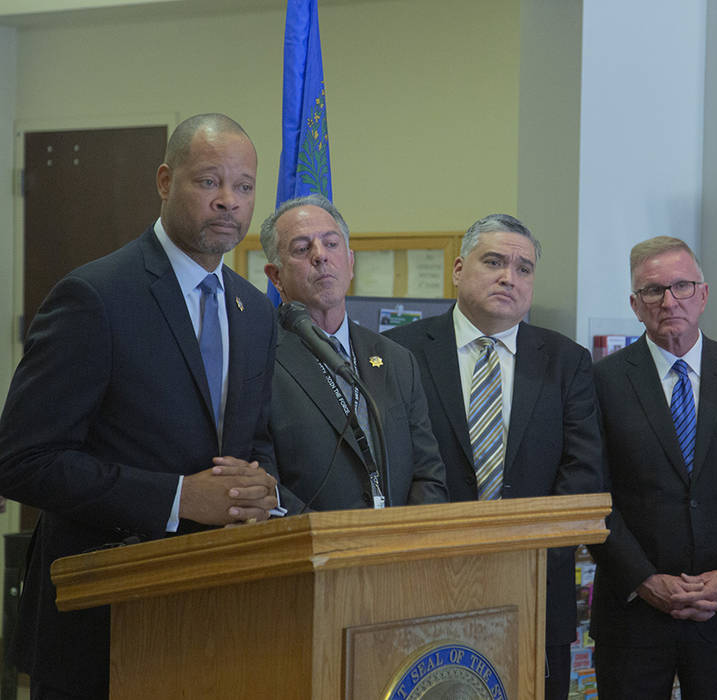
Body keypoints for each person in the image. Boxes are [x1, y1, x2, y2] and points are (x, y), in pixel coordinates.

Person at [0, 113, 280, 699]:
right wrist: (177, 498)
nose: (229, 201)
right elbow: (23, 459)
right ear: (163, 181)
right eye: (209, 182)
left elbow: (254, 442)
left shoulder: (255, 311)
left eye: (245, 186)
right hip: (102, 621)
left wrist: (264, 488)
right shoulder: (95, 296)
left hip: (218, 619)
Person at [384, 213, 604, 699]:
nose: (510, 277)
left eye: (524, 268)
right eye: (495, 262)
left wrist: (521, 550)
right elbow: (390, 468)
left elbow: (583, 476)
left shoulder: (566, 362)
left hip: (533, 589)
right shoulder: (399, 352)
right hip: (423, 581)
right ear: (458, 269)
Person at [589, 235, 717, 700]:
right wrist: (642, 580)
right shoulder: (600, 382)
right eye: (653, 291)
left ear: (704, 294)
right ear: (635, 305)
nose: (669, 301)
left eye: (682, 286)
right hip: (634, 616)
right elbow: (592, 497)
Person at [260, 194, 447, 510]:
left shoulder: (398, 360)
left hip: (397, 550)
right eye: (303, 249)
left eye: (331, 244)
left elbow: (428, 473)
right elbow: (264, 482)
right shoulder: (259, 361)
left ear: (350, 262)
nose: (320, 256)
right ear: (276, 277)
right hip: (313, 550)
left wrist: (408, 539)